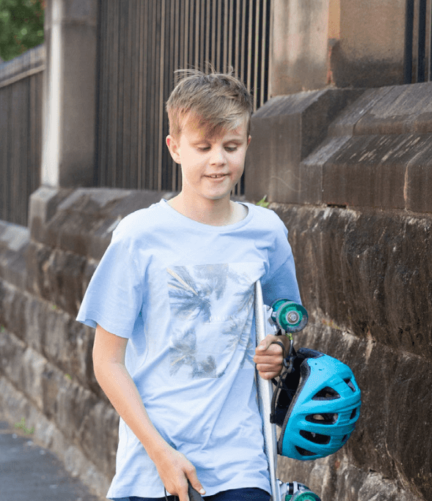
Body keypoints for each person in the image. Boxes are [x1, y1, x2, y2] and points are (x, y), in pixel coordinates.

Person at [77, 69, 302, 501]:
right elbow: (107, 362)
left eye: (230, 146)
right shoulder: (138, 236)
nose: (218, 159)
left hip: (239, 462)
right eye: (203, 147)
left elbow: (282, 325)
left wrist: (276, 351)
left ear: (247, 145)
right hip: (152, 463)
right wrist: (160, 453)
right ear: (175, 148)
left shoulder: (267, 233)